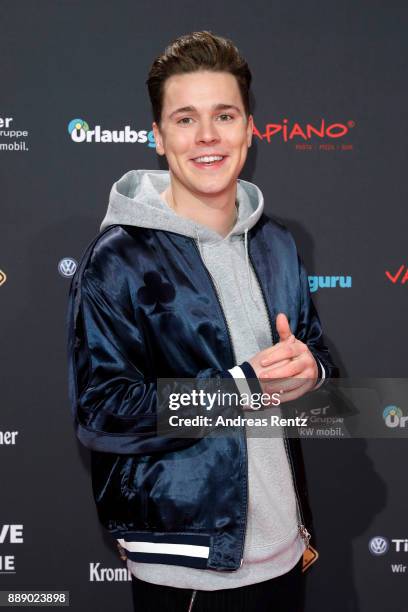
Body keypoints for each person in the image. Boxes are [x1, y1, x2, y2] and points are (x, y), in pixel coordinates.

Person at [66, 31, 337, 612]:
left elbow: (315, 356)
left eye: (225, 115)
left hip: (286, 551)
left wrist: (313, 368)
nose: (208, 136)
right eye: (185, 119)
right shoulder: (117, 260)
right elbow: (103, 409)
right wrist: (239, 390)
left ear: (249, 129)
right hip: (186, 567)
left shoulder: (279, 243)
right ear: (158, 139)